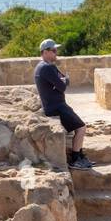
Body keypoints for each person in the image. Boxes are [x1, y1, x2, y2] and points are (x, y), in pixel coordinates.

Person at [34, 39, 94, 170]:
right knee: (81, 128)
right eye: (54, 50)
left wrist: (63, 80)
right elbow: (62, 85)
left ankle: (79, 156)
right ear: (45, 52)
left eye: (56, 50)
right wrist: (63, 81)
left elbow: (63, 80)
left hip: (55, 105)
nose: (56, 53)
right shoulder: (47, 68)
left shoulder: (44, 66)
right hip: (56, 107)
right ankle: (76, 159)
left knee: (78, 128)